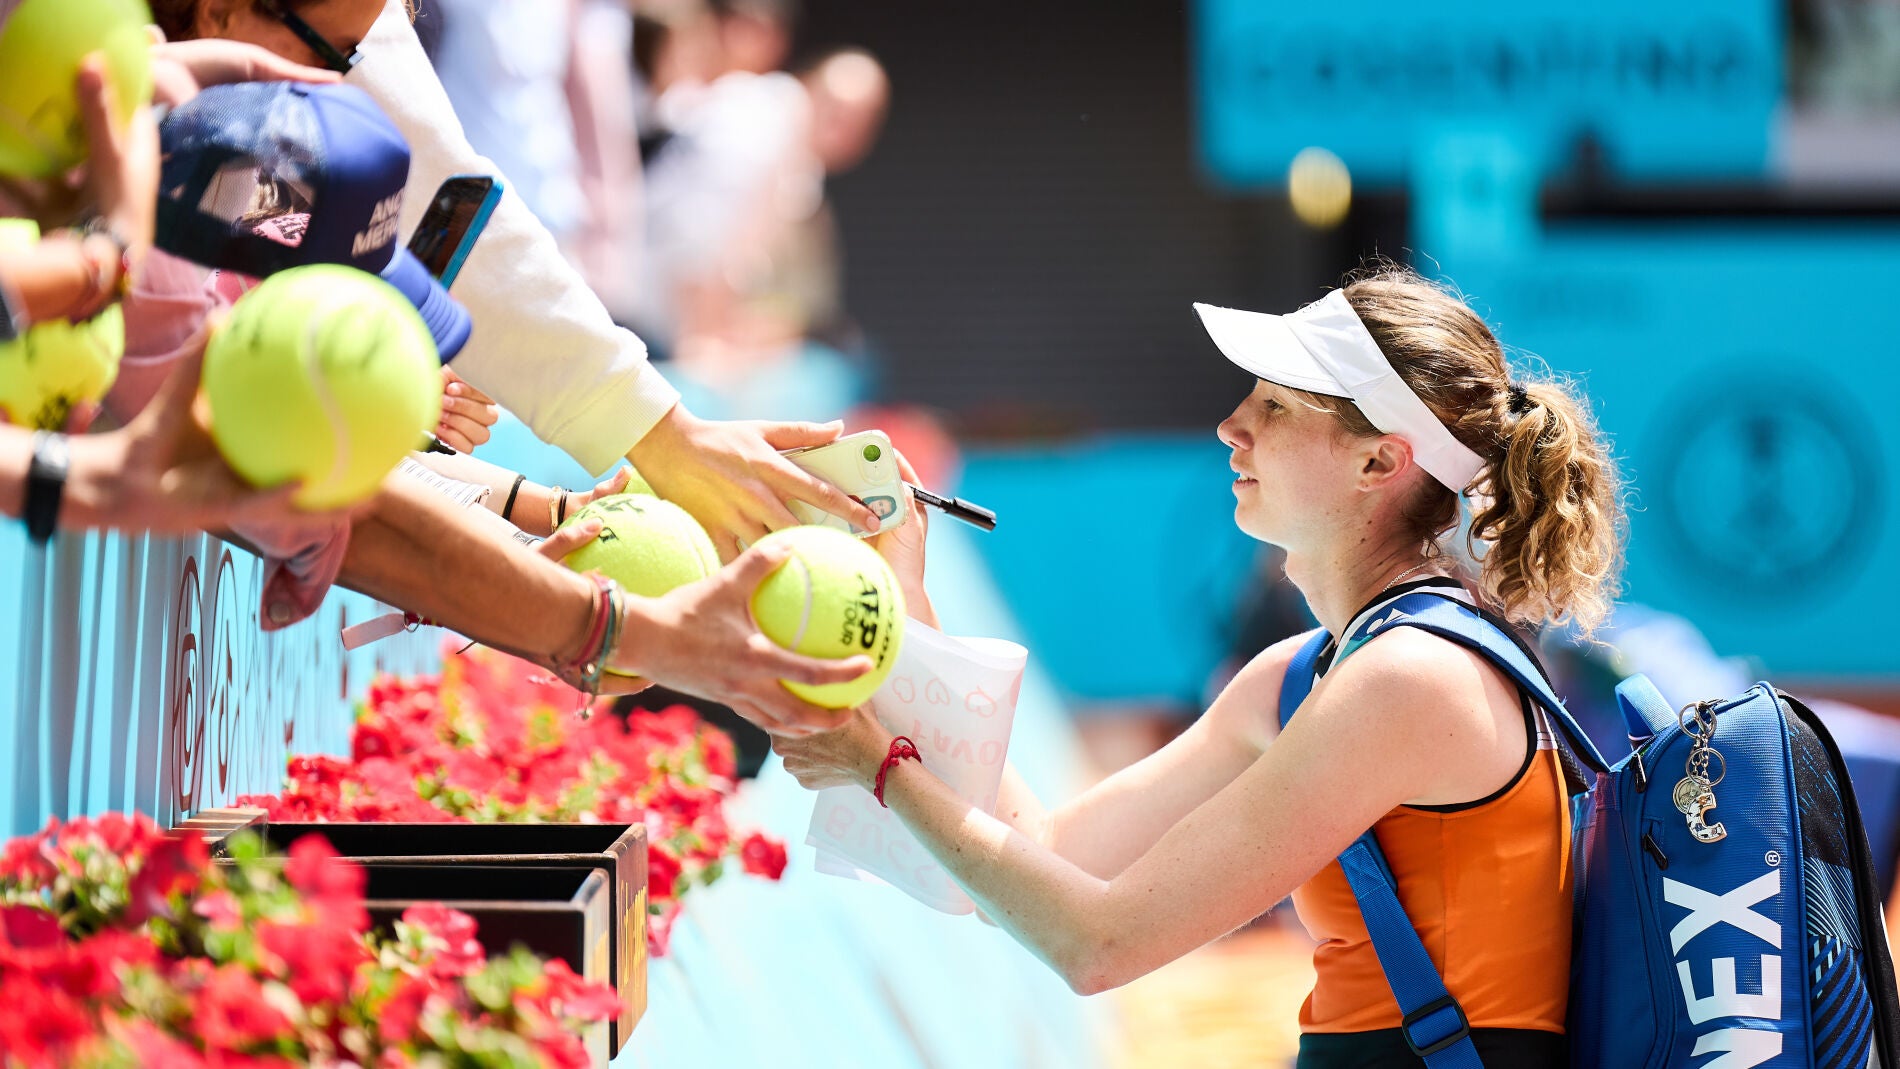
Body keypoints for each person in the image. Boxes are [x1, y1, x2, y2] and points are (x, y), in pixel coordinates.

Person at [775, 266, 1626, 1067]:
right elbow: (1046, 856)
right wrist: (907, 596)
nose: (1232, 426)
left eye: (1276, 405)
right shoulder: (1307, 672)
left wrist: (878, 765)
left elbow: (1098, 943)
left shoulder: (1407, 678)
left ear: (1379, 462)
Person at [148, 0, 881, 556]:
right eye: (341, 54)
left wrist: (545, 508)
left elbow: (447, 200)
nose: (341, 88)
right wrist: (599, 620)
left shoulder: (231, 167)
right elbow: (314, 496)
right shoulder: (173, 232)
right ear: (219, 15)